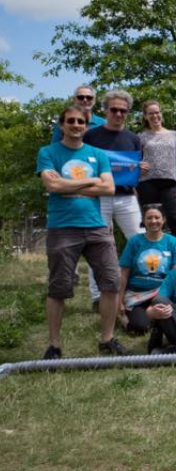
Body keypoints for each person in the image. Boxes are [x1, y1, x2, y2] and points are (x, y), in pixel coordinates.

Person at [38, 106, 126, 359]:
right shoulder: (48, 152)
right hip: (63, 227)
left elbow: (109, 188)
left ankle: (107, 339)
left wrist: (68, 186)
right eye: (71, 121)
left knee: (112, 282)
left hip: (96, 226)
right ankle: (54, 346)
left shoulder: (97, 154)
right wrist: (91, 181)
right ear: (62, 125)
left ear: (86, 127)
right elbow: (51, 185)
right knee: (59, 288)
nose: (76, 125)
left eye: (81, 122)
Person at [83, 90, 145, 307]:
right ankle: (97, 297)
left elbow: (135, 172)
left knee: (140, 240)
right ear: (105, 110)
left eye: (123, 110)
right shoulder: (90, 136)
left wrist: (140, 170)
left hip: (127, 197)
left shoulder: (134, 139)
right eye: (114, 110)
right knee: (97, 246)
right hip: (98, 198)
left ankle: (141, 290)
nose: (119, 114)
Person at [118, 206, 176, 336]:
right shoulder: (134, 241)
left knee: (172, 316)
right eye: (149, 218)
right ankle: (123, 317)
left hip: (162, 293)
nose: (153, 221)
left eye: (157, 217)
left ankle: (153, 317)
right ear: (144, 220)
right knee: (139, 328)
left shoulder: (172, 242)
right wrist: (119, 301)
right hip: (137, 294)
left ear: (163, 219)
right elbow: (124, 273)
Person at [137, 100, 176, 242]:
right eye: (151, 113)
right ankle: (150, 250)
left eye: (157, 112)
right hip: (147, 183)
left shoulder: (174, 134)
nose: (155, 116)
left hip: (170, 183)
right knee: (150, 220)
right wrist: (138, 166)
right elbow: (135, 160)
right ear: (145, 116)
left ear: (161, 113)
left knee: (175, 219)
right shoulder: (141, 137)